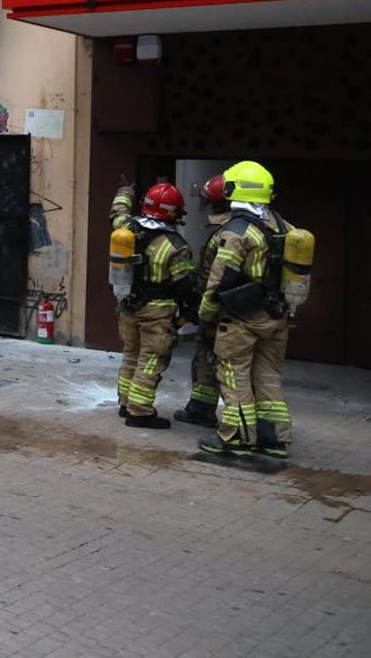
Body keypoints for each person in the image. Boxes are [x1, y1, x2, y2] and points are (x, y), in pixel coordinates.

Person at [197, 161, 304, 460]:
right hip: (275, 316)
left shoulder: (237, 231)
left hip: (241, 319)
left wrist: (205, 314)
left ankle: (236, 439)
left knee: (234, 377)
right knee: (268, 376)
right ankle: (274, 439)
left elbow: (220, 279)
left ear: (234, 189)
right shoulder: (285, 227)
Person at [109, 182, 196, 429]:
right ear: (173, 212)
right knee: (151, 359)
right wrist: (191, 311)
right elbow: (184, 286)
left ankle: (125, 403)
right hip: (157, 312)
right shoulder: (177, 246)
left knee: (131, 354)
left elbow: (118, 212)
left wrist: (124, 191)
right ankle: (140, 412)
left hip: (127, 305)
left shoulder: (125, 228)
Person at [173, 175, 228, 428]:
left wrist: (199, 308)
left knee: (220, 363)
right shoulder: (258, 228)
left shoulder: (226, 234)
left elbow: (211, 277)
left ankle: (239, 425)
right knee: (206, 358)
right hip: (233, 310)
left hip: (222, 312)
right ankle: (201, 408)